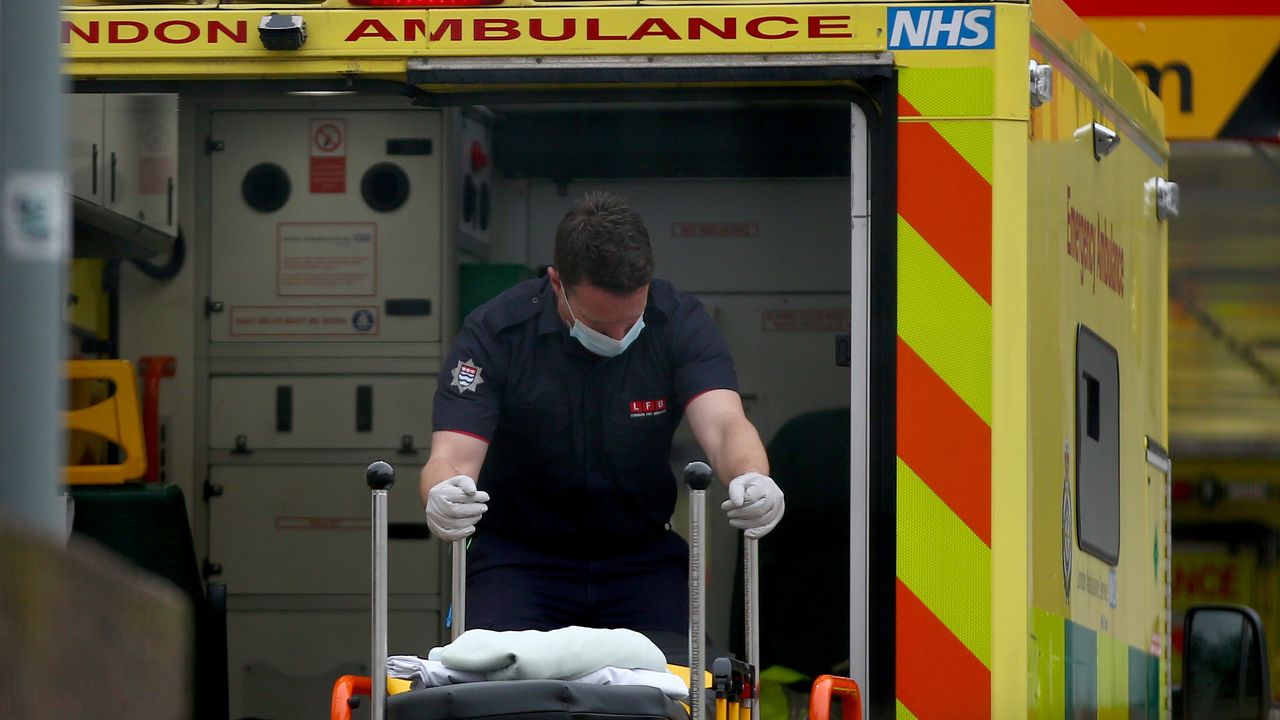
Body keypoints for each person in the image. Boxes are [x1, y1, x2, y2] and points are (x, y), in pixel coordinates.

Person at [419, 190, 783, 646]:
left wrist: (752, 476)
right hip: (518, 561)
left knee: (684, 688)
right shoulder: (496, 333)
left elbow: (725, 423)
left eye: (631, 321)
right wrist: (443, 494)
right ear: (557, 284)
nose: (619, 335)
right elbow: (450, 457)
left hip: (641, 559)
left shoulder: (678, 323)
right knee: (492, 686)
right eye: (600, 323)